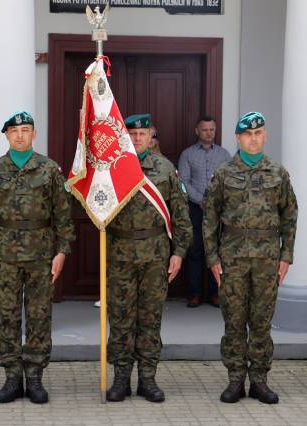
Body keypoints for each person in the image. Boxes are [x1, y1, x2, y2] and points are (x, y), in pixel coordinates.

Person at [0, 111, 75, 404]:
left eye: (26, 130)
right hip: (5, 255)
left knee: (39, 317)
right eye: (15, 131)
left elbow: (63, 218)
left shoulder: (49, 170)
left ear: (34, 134)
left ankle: (35, 377)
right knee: (8, 316)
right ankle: (12, 377)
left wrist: (62, 253)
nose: (20, 135)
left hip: (41, 255)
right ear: (6, 135)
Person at [202, 112, 297, 404]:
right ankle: (234, 381)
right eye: (247, 134)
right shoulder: (224, 173)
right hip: (232, 259)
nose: (253, 139)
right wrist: (212, 257)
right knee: (233, 321)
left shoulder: (278, 173)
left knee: (260, 322)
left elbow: (290, 216)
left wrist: (286, 256)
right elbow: (209, 218)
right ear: (238, 138)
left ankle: (259, 381)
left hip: (267, 259)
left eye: (258, 133)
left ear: (265, 136)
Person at [105, 113, 192, 403]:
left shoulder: (166, 169)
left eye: (142, 134)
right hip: (120, 255)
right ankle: (120, 379)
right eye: (131, 133)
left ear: (151, 136)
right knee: (120, 319)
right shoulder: (112, 169)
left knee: (150, 319)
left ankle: (147, 379)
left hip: (156, 255)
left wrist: (178, 252)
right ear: (124, 136)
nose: (137, 138)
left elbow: (181, 215)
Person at [178, 115, 231, 307]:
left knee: (216, 249)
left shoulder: (224, 155)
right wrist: (201, 201)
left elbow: (229, 181)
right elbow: (183, 182)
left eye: (212, 130)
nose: (209, 133)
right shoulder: (188, 154)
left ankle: (215, 293)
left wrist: (215, 202)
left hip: (218, 210)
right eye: (205, 130)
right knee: (195, 250)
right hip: (195, 209)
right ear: (197, 131)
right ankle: (194, 293)